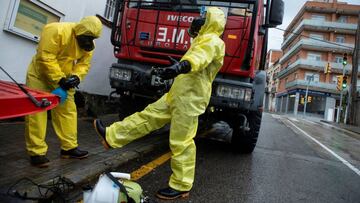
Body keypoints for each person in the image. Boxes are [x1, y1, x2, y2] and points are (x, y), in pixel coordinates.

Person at [94, 7, 225, 200]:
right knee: (147, 117)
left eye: (203, 18)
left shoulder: (214, 41)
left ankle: (181, 185)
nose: (199, 20)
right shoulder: (202, 39)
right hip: (178, 94)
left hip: (190, 99)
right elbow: (195, 57)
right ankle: (112, 135)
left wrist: (180, 66)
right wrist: (177, 65)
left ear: (211, 21)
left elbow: (198, 58)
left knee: (182, 141)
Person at [25, 16, 102, 168]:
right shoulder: (55, 30)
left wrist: (76, 77)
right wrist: (60, 79)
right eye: (86, 38)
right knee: (37, 112)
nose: (88, 42)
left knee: (68, 111)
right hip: (39, 76)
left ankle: (69, 148)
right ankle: (36, 153)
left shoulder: (89, 44)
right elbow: (45, 57)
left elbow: (83, 64)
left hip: (65, 80)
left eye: (91, 39)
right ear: (78, 32)